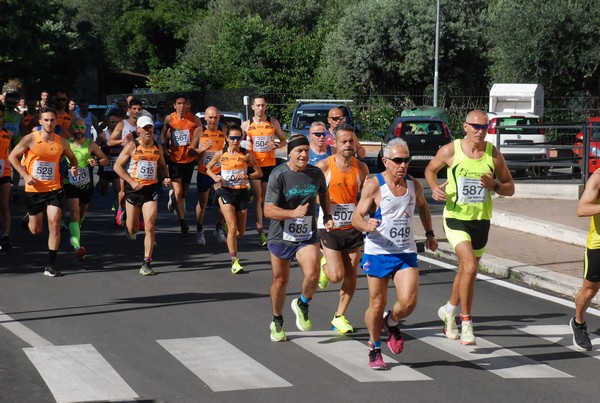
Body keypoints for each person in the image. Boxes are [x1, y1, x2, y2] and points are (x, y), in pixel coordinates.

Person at [425, 109, 514, 346]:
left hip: (481, 220)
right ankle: (466, 322)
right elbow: (430, 170)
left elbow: (510, 187)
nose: (480, 131)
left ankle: (448, 311)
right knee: (471, 266)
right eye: (476, 126)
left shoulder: (493, 154)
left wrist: (494, 185)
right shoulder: (451, 150)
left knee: (467, 271)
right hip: (455, 217)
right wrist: (434, 188)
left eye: (485, 127)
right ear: (465, 127)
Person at [352, 138, 438, 370]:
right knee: (376, 303)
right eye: (398, 160)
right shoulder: (373, 185)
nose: (403, 165)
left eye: (406, 160)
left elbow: (423, 206)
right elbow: (356, 216)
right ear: (385, 162)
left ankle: (391, 322)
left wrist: (430, 234)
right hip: (378, 252)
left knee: (409, 302)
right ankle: (374, 348)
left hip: (404, 251)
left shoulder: (413, 184)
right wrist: (365, 225)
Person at [264, 134, 334, 342]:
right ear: (290, 154)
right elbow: (268, 210)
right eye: (299, 151)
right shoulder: (279, 175)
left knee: (313, 273)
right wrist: (292, 214)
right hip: (280, 236)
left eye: (306, 150)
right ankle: (277, 319)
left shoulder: (315, 173)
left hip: (306, 235)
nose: (304, 154)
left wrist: (327, 215)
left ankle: (303, 303)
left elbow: (324, 194)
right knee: (280, 281)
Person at [8, 107, 79, 277]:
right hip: (34, 190)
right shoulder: (30, 139)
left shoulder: (61, 141)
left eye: (52, 120)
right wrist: (25, 175)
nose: (49, 123)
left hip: (54, 189)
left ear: (56, 121)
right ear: (40, 122)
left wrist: (74, 167)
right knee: (36, 230)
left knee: (54, 224)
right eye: (46, 120)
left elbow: (72, 157)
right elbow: (12, 157)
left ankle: (50, 266)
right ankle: (29, 217)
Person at [316, 124, 369, 333]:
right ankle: (324, 266)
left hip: (352, 226)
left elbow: (367, 196)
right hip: (329, 226)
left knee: (351, 274)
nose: (348, 145)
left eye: (351, 141)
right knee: (336, 276)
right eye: (344, 142)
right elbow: (313, 195)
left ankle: (339, 316)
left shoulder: (361, 168)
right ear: (335, 144)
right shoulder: (324, 167)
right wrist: (327, 211)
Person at [113, 116, 171, 276]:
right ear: (138, 129)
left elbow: (162, 165)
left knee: (150, 226)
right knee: (133, 229)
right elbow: (117, 167)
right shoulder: (132, 145)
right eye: (144, 128)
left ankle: (146, 263)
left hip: (151, 190)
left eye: (150, 128)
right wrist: (131, 182)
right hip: (134, 190)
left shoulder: (157, 147)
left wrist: (166, 177)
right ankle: (126, 216)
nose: (148, 131)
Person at [206, 125, 262, 273]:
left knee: (239, 233)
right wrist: (215, 177)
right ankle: (234, 261)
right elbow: (208, 167)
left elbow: (259, 172)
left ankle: (225, 226)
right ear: (227, 138)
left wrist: (247, 176)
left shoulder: (246, 155)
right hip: (225, 192)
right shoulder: (221, 154)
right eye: (233, 138)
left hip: (241, 193)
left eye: (238, 138)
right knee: (232, 228)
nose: (235, 141)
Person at [241, 96, 287, 247]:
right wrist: (245, 146)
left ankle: (269, 227)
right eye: (258, 105)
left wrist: (276, 145)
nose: (261, 108)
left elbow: (283, 141)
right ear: (253, 107)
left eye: (263, 105)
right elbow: (238, 144)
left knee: (267, 197)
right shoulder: (247, 124)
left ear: (266, 107)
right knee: (258, 197)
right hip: (254, 165)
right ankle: (260, 229)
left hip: (269, 165)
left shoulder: (272, 122)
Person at [63, 118, 108, 260]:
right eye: (75, 127)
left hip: (86, 184)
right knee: (74, 212)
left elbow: (105, 160)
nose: (78, 130)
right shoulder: (66, 144)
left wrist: (96, 161)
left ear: (85, 129)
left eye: (81, 127)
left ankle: (76, 228)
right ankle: (77, 245)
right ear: (71, 129)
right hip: (70, 181)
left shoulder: (91, 145)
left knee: (82, 211)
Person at [160, 95, 203, 234]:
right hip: (174, 159)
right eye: (179, 103)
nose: (182, 106)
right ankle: (182, 222)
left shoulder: (194, 119)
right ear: (174, 105)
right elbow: (162, 134)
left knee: (184, 192)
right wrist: (165, 148)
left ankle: (174, 197)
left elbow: (201, 133)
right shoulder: (169, 118)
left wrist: (197, 147)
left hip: (189, 160)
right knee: (179, 191)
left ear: (188, 105)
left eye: (184, 103)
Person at [570, 169, 600, 351]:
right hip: (598, 244)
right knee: (589, 291)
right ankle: (578, 322)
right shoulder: (597, 178)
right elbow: (582, 209)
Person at [191, 106, 226, 245]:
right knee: (202, 203)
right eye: (210, 117)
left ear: (219, 117)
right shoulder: (200, 131)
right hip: (204, 172)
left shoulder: (223, 131)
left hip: (219, 171)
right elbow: (190, 152)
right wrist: (202, 149)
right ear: (205, 118)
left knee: (224, 200)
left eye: (215, 117)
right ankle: (199, 228)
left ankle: (219, 227)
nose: (212, 120)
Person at [108, 98, 144, 225]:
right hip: (125, 161)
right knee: (123, 191)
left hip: (140, 162)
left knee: (140, 189)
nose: (136, 111)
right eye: (134, 109)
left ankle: (138, 216)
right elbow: (109, 141)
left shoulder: (143, 124)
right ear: (129, 110)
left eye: (139, 109)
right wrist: (121, 141)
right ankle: (121, 209)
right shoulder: (123, 124)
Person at [96, 110, 124, 215]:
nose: (114, 124)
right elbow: (94, 148)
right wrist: (101, 157)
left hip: (118, 166)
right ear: (107, 122)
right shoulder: (103, 135)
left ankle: (118, 215)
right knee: (102, 191)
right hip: (106, 166)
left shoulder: (123, 134)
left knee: (118, 191)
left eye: (117, 122)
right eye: (112, 122)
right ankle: (99, 185)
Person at [2, 92, 25, 201]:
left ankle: (15, 189)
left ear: (17, 103)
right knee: (4, 167)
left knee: (16, 167)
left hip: (16, 144)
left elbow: (23, 129)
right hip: (4, 144)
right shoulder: (3, 114)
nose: (11, 105)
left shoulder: (19, 116)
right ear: (5, 102)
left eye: (13, 103)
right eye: (9, 102)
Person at [0, 105, 14, 250]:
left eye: (0, 116)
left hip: (4, 173)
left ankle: (6, 235)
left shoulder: (8, 133)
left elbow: (10, 151)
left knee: (4, 204)